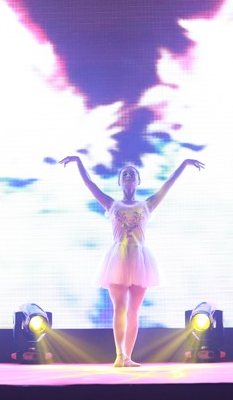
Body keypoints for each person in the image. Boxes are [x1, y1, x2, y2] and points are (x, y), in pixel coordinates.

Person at [59, 155, 205, 367]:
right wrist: (78, 162)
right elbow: (90, 184)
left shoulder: (147, 205)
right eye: (124, 174)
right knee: (119, 308)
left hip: (140, 260)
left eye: (132, 174)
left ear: (138, 181)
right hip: (117, 259)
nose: (128, 176)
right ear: (119, 181)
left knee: (134, 311)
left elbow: (168, 184)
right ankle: (119, 355)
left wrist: (184, 164)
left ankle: (128, 356)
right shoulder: (111, 204)